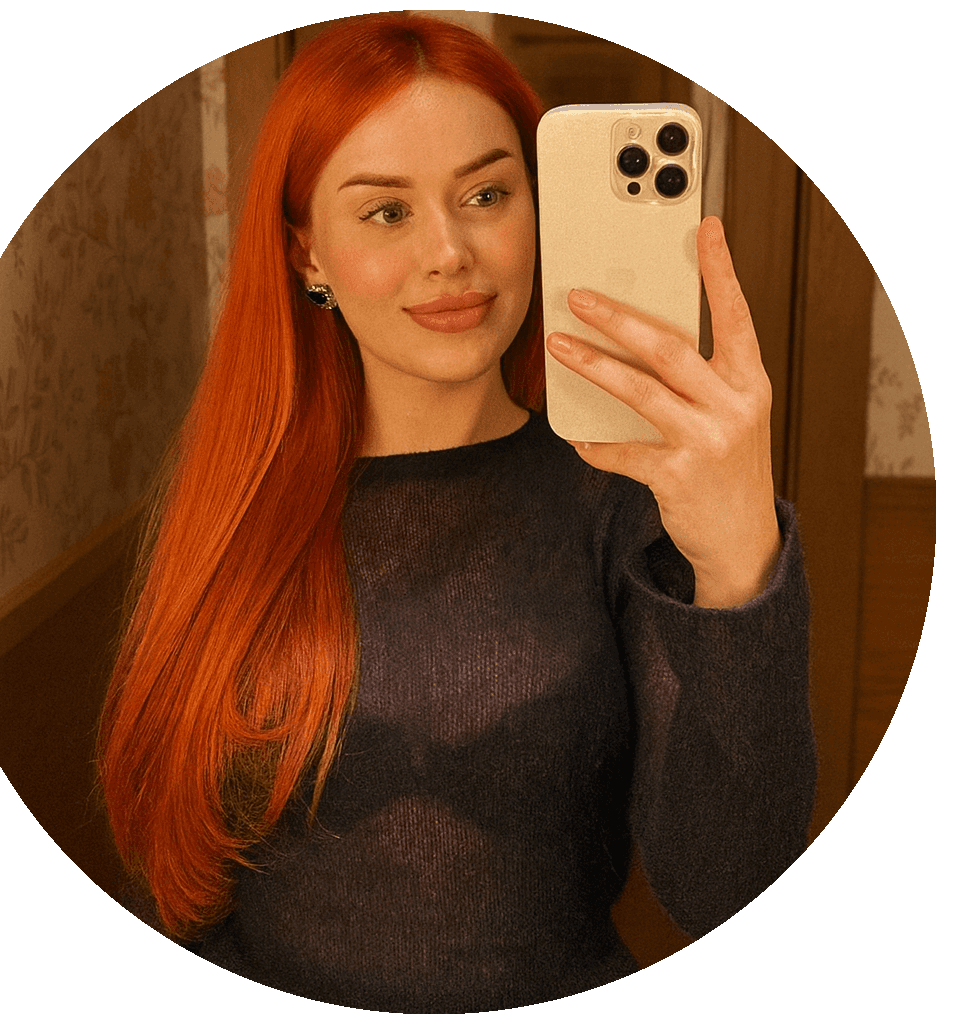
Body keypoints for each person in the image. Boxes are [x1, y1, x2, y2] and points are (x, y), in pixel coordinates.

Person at [98, 12, 816, 1013]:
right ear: (307, 254)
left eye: (486, 194)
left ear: (540, 210)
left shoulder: (625, 505)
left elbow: (729, 888)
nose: (449, 252)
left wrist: (739, 564)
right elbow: (174, 866)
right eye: (386, 211)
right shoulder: (230, 500)